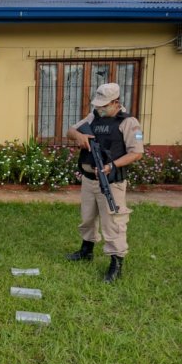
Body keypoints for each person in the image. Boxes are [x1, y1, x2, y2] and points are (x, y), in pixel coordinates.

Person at [65, 83, 144, 283]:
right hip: (89, 178)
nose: (100, 108)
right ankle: (86, 250)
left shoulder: (129, 123)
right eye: (98, 105)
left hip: (110, 181)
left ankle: (116, 264)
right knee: (87, 217)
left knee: (114, 221)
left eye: (104, 105)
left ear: (116, 102)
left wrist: (112, 166)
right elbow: (70, 130)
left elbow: (137, 153)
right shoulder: (94, 117)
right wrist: (79, 136)